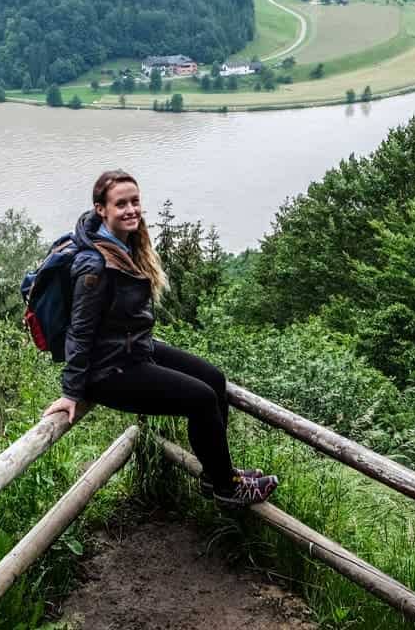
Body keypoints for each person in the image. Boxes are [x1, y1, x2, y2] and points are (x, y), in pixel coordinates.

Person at [43, 169, 279, 507]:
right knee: (201, 399)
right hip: (109, 370)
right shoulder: (94, 265)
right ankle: (228, 488)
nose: (131, 210)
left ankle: (215, 474)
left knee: (214, 379)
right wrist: (70, 392)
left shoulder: (125, 245)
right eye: (120, 204)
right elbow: (80, 331)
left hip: (133, 349)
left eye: (135, 201)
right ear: (101, 210)